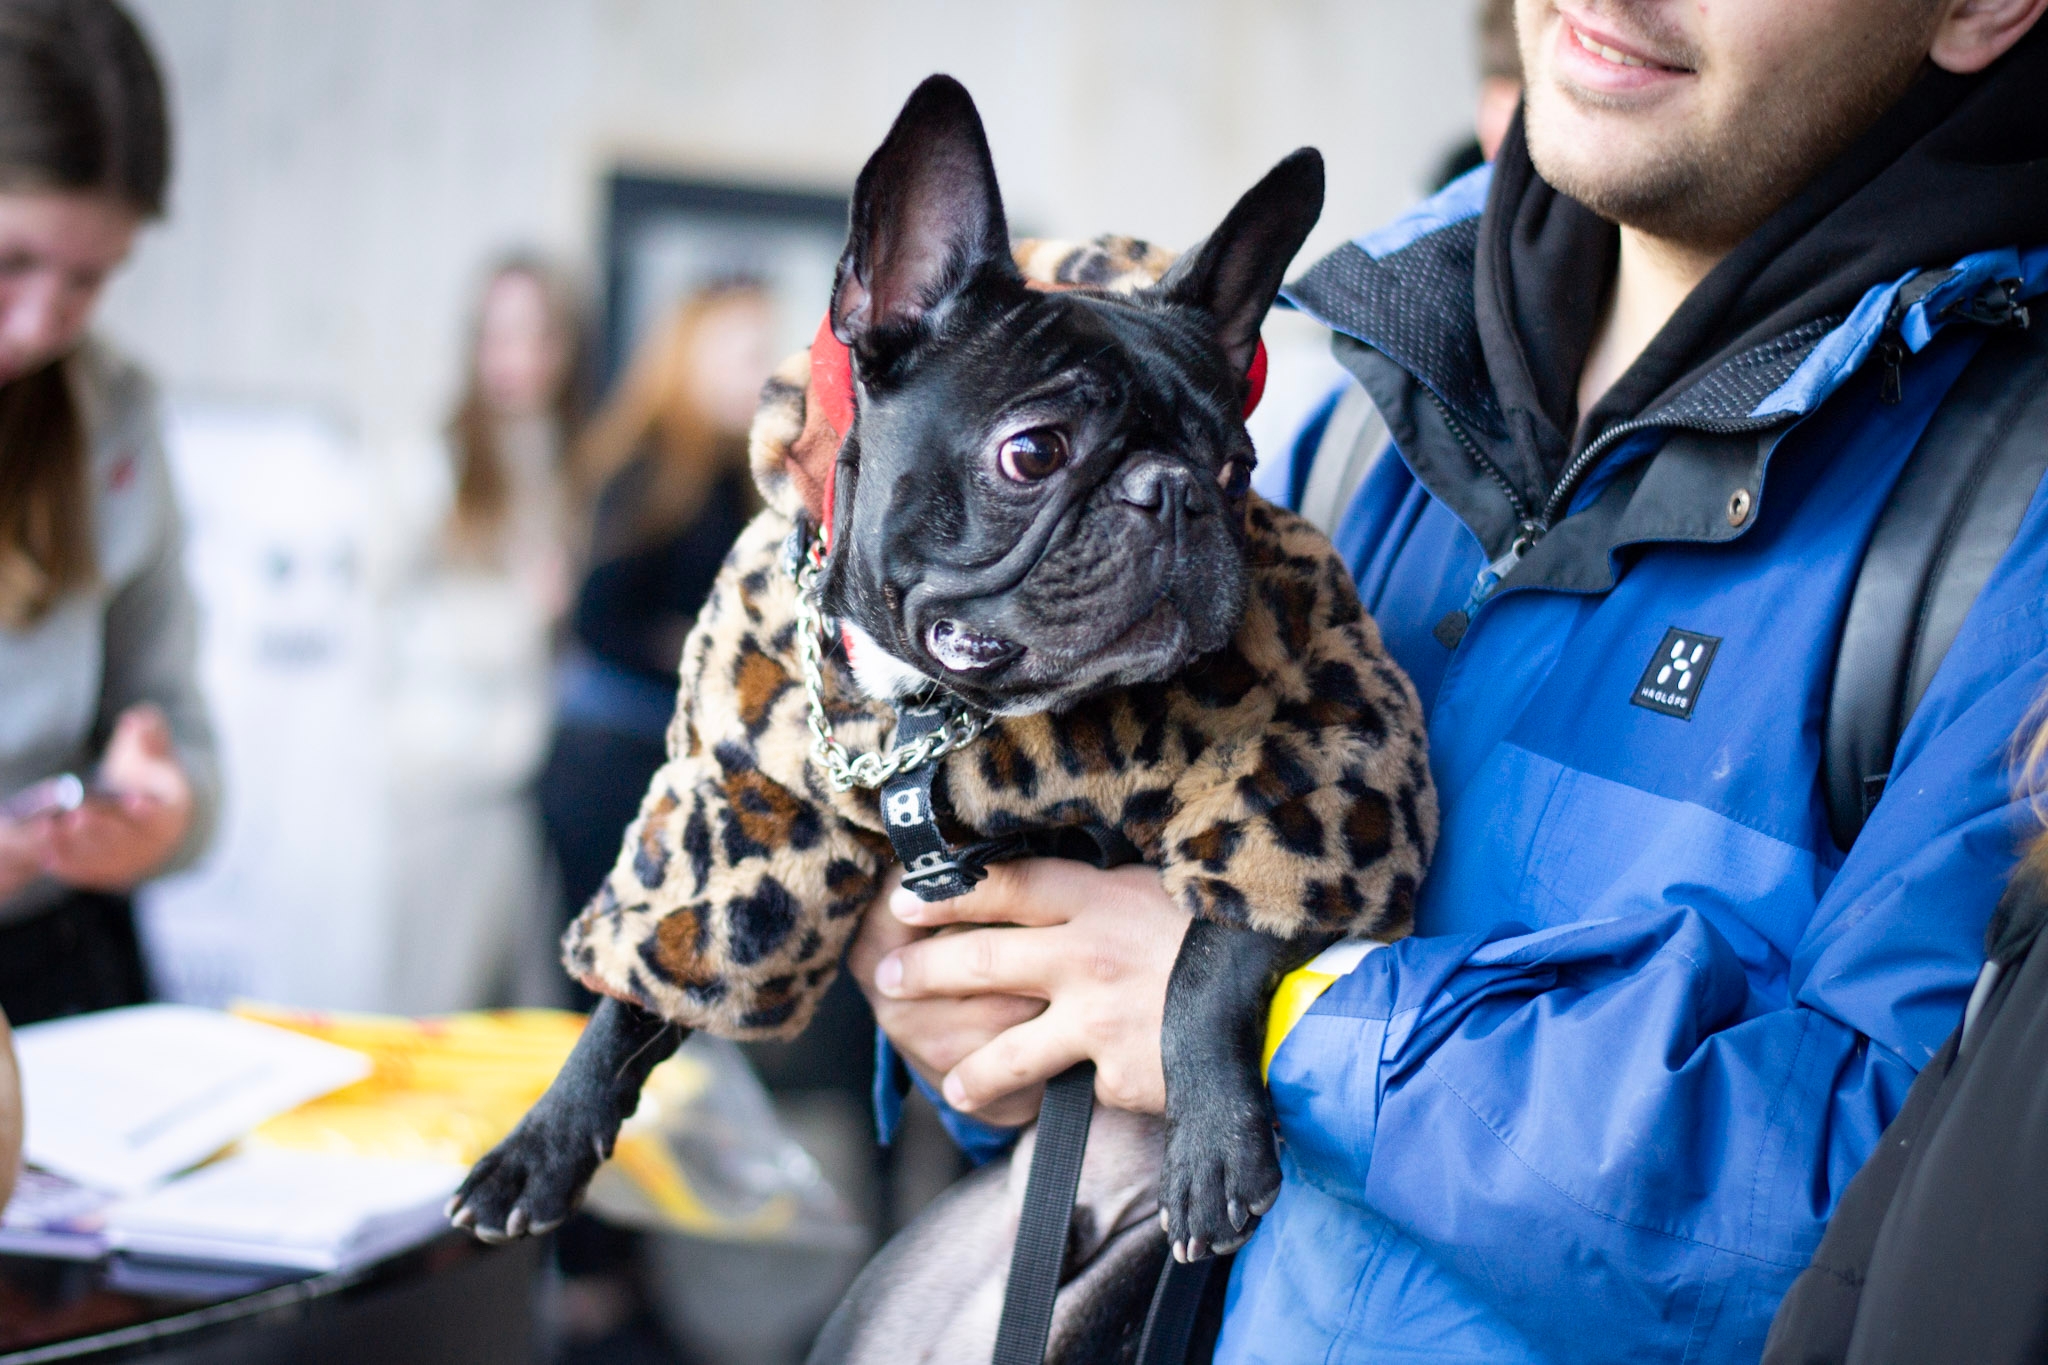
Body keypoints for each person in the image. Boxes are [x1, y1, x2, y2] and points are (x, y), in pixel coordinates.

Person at [844, 2, 2048, 1361]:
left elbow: (1906, 1242)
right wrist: (980, 995)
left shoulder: (2014, 512)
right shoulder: (1379, 368)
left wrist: (1273, 1017)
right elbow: (1123, 944)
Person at [0, 0, 218, 1027]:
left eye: (87, 281)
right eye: (13, 263)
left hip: (63, 964)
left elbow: (172, 716)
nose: (40, 325)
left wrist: (165, 817)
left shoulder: (113, 418)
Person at [536, 281, 768, 960]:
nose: (763, 370)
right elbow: (594, 617)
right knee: (608, 974)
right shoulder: (645, 468)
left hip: (672, 756)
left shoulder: (737, 475)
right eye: (744, 350)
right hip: (607, 754)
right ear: (690, 357)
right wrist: (702, 648)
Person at [379, 256, 582, 1013]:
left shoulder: (566, 463)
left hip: (527, 787)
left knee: (516, 1009)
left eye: (537, 336)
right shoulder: (432, 463)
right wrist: (522, 614)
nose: (519, 358)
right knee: (435, 1002)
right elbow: (388, 629)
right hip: (443, 784)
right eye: (501, 336)